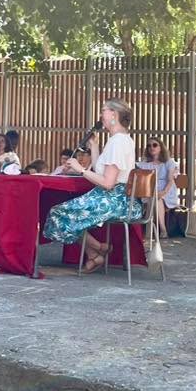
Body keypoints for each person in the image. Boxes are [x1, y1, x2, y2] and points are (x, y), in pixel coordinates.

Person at [43, 100, 137, 272]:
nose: (101, 115)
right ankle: (96, 252)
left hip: (113, 200)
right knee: (62, 213)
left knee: (58, 213)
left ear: (114, 115)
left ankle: (99, 249)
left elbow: (108, 183)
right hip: (114, 197)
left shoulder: (118, 142)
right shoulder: (120, 140)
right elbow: (101, 170)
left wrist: (80, 170)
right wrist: (94, 145)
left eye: (103, 111)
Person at [137, 138, 180, 237]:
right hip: (150, 191)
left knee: (157, 198)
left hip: (167, 190)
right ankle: (155, 230)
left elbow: (170, 180)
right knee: (154, 197)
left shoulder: (169, 162)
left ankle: (162, 230)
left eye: (155, 145)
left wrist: (163, 192)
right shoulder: (144, 164)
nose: (152, 147)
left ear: (161, 147)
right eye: (149, 146)